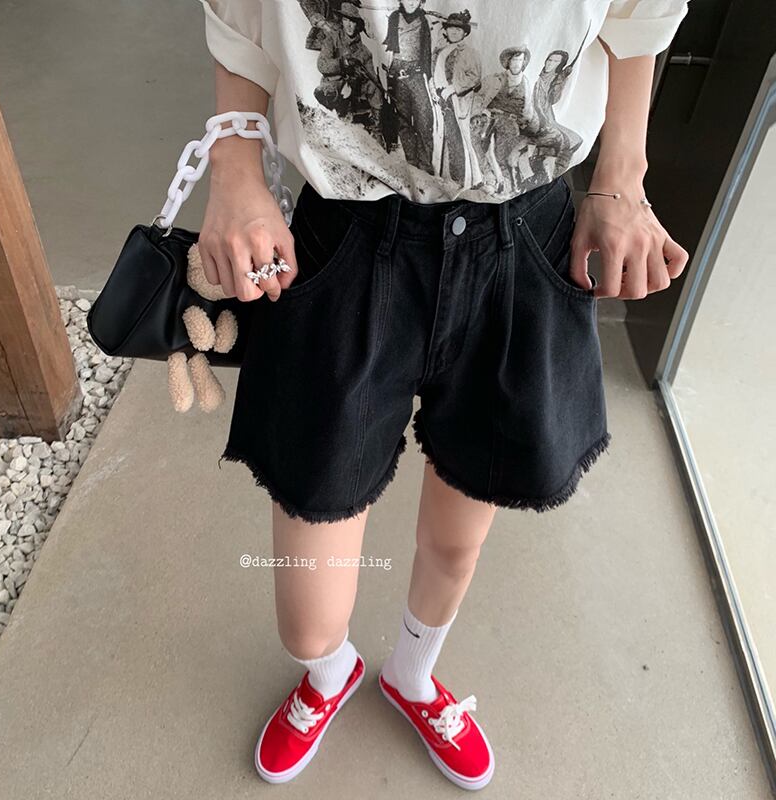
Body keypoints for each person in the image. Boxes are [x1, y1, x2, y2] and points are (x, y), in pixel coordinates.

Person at [196, 0, 691, 789]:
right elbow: (240, 14)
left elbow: (638, 16)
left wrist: (621, 181)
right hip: (348, 232)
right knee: (309, 612)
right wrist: (234, 169)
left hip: (519, 235)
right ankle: (329, 672)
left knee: (460, 534)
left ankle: (413, 674)